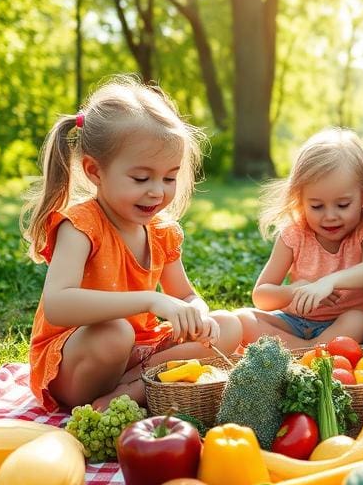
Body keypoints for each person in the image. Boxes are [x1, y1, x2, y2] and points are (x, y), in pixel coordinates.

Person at [21, 76, 242, 412]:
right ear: (95, 171)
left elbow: (184, 293)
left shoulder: (161, 231)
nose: (157, 191)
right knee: (114, 333)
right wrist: (151, 301)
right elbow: (57, 304)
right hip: (79, 358)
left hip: (139, 355)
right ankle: (135, 387)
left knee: (227, 326)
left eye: (169, 177)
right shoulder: (81, 225)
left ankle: (135, 389)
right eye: (141, 178)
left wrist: (196, 312)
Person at [235, 128, 363, 349]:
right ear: (300, 199)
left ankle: (298, 351)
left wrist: (328, 283)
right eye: (316, 206)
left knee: (359, 320)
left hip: (342, 325)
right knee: (242, 319)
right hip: (295, 322)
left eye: (343, 205)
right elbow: (261, 296)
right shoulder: (294, 234)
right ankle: (311, 350)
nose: (330, 216)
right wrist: (298, 290)